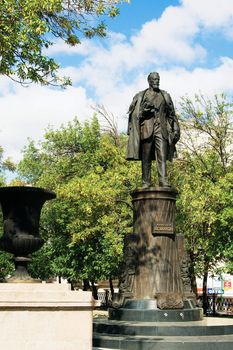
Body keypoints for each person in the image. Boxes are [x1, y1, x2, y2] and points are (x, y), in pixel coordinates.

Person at [126, 72, 180, 188]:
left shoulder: (165, 95)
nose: (157, 81)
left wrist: (176, 128)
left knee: (162, 155)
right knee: (146, 158)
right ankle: (146, 182)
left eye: (158, 79)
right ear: (149, 81)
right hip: (146, 130)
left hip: (161, 130)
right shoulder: (142, 96)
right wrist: (144, 112)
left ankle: (163, 181)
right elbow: (135, 115)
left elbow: (172, 114)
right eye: (154, 79)